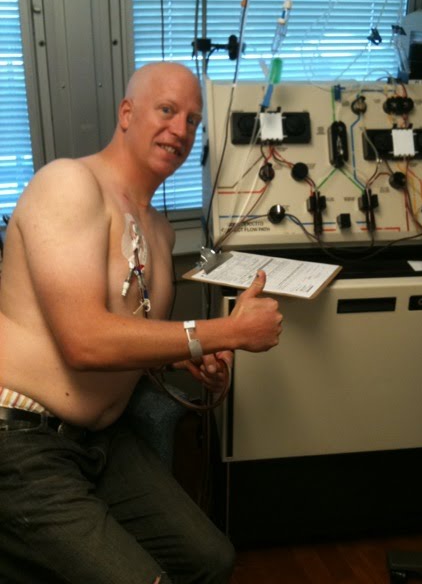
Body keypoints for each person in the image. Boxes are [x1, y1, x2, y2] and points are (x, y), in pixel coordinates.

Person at [0, 62, 283, 584]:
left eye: (193, 121)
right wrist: (228, 332)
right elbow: (84, 340)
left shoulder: (159, 230)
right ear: (127, 113)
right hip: (22, 440)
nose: (181, 130)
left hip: (102, 440)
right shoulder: (69, 184)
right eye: (167, 110)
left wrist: (192, 356)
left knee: (211, 560)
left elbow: (129, 331)